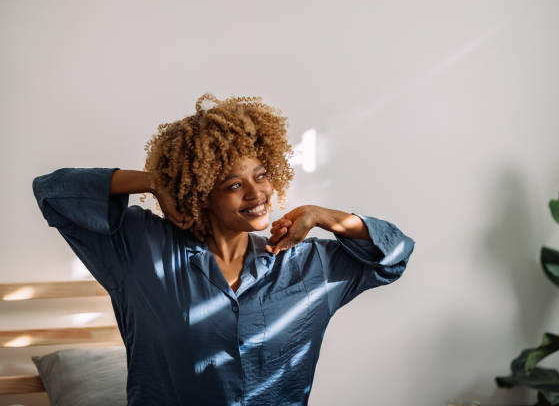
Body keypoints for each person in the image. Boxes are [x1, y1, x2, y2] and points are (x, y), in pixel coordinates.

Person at [32, 93, 415, 406]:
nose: (257, 193)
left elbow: (394, 254)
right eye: (234, 184)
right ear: (201, 193)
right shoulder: (140, 251)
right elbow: (52, 192)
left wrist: (322, 215)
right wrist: (156, 182)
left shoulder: (308, 264)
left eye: (261, 175)